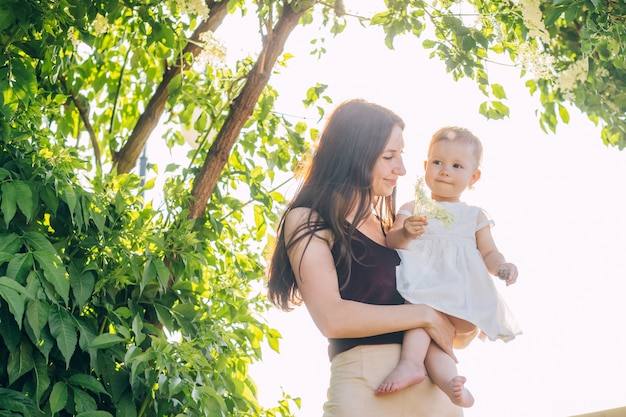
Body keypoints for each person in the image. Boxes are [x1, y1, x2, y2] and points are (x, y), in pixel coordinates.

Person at [266, 99, 463, 417]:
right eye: (389, 156)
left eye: (401, 155)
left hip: (434, 394)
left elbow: (446, 323)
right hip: (364, 392)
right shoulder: (308, 220)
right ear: (354, 154)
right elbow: (332, 318)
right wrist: (424, 315)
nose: (401, 168)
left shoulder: (394, 231)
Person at [375, 126, 522, 407]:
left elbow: (489, 252)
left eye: (457, 166)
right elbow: (392, 240)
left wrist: (502, 266)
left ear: (473, 176)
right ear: (426, 166)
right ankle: (449, 383)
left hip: (460, 297)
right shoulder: (413, 207)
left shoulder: (474, 216)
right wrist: (406, 231)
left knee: (422, 322)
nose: (445, 171)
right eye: (438, 162)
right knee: (430, 336)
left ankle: (410, 363)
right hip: (427, 294)